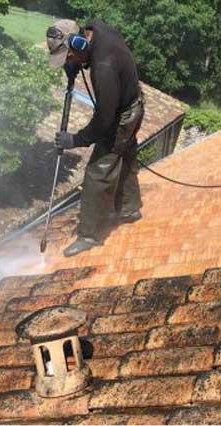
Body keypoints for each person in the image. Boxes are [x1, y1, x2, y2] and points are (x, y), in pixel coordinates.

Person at [45, 19, 144, 257]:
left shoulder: (104, 68)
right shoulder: (96, 29)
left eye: (68, 57)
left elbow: (104, 121)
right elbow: (85, 56)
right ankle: (130, 210)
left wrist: (76, 139)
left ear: (79, 44)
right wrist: (73, 68)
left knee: (99, 171)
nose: (68, 62)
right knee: (125, 155)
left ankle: (89, 235)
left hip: (123, 115)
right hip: (132, 100)